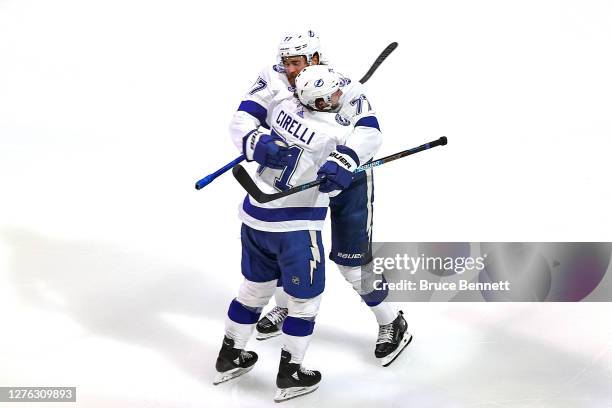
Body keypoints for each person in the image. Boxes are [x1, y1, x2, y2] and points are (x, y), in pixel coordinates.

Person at [228, 31, 412, 367]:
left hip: (345, 177)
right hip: (298, 173)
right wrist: (255, 142)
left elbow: (369, 131)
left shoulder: (345, 88)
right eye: (286, 62)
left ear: (315, 58)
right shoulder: (274, 77)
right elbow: (243, 118)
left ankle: (390, 320)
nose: (290, 69)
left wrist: (346, 159)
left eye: (296, 62)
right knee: (288, 242)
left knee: (351, 262)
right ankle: (286, 305)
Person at [215, 65, 373, 401]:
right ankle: (292, 373)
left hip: (254, 218)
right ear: (317, 100)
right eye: (332, 95)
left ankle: (229, 356)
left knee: (253, 290)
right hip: (295, 227)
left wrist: (257, 143)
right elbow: (370, 133)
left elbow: (248, 119)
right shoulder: (335, 134)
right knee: (304, 303)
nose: (337, 97)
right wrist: (343, 164)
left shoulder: (283, 105)